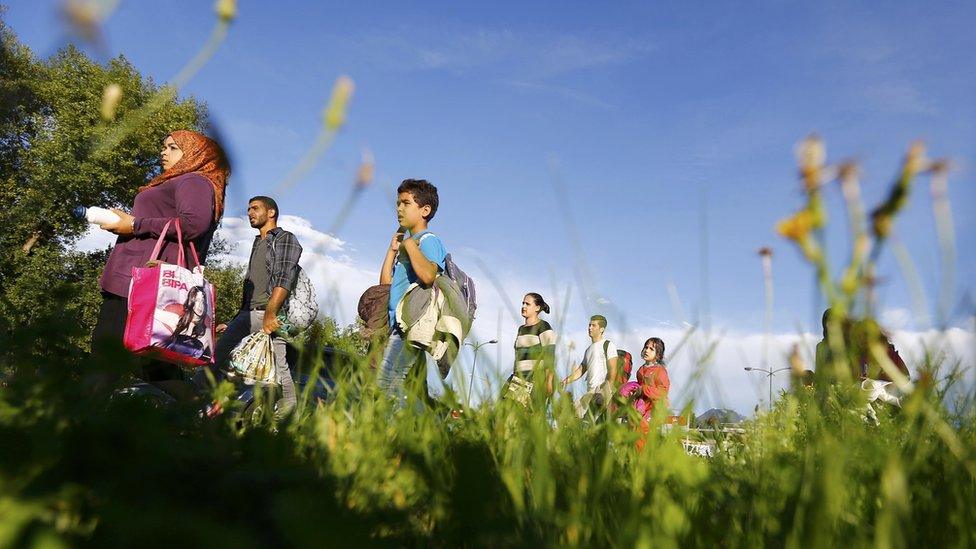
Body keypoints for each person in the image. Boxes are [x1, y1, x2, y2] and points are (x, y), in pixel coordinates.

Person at [91, 130, 228, 383]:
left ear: (195, 154)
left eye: (173, 147)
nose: (163, 152)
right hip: (136, 278)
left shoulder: (194, 181)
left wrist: (135, 225)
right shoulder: (175, 181)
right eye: (164, 147)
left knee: (106, 356)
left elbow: (194, 224)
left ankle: (77, 419)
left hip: (143, 284)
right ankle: (205, 414)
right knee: (153, 368)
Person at [212, 196, 302, 420]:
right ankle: (207, 409)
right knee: (221, 359)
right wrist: (234, 320)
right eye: (248, 209)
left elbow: (284, 278)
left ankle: (286, 419)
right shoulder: (257, 242)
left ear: (271, 213)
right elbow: (251, 285)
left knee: (279, 370)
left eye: (255, 208)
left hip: (270, 314)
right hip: (247, 314)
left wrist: (270, 314)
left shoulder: (284, 238)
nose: (249, 212)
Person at [376, 179, 447, 406]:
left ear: (425, 210)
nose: (399, 208)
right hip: (397, 323)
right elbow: (385, 285)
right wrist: (392, 250)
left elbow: (428, 276)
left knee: (386, 383)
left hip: (410, 325)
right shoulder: (410, 244)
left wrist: (409, 246)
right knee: (408, 388)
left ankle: (425, 434)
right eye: (398, 203)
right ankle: (426, 431)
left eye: (406, 203)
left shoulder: (428, 240)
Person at [503, 293, 557, 407]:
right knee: (502, 412)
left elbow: (550, 356)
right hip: (518, 378)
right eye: (523, 303)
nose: (523, 306)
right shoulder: (521, 329)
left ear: (537, 308)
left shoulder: (544, 326)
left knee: (527, 417)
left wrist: (548, 382)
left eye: (527, 304)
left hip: (535, 380)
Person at [561, 315, 618, 418]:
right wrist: (565, 381)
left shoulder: (608, 345)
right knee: (574, 416)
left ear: (602, 329)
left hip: (600, 391)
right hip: (590, 392)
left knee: (585, 421)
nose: (590, 328)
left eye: (593, 325)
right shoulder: (588, 350)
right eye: (589, 325)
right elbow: (581, 370)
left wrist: (606, 391)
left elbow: (613, 369)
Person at [618, 337, 670, 420]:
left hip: (655, 408)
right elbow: (639, 387)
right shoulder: (641, 370)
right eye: (646, 347)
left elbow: (663, 392)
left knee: (644, 428)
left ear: (658, 355)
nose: (647, 350)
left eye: (651, 349)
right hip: (642, 405)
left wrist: (644, 389)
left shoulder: (660, 371)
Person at [161, 285, 211, 360]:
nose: (200, 305)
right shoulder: (174, 318)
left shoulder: (205, 331)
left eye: (202, 301)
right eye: (197, 300)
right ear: (191, 301)